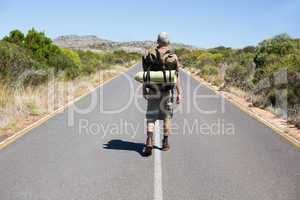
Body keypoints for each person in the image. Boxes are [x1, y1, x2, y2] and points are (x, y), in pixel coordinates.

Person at [142, 32, 182, 156]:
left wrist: (144, 89)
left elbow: (145, 74)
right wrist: (179, 93)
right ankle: (165, 143)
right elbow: (176, 77)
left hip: (153, 90)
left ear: (157, 41)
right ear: (168, 42)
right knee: (167, 116)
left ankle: (149, 140)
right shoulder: (173, 56)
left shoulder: (148, 55)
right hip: (167, 91)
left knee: (151, 117)